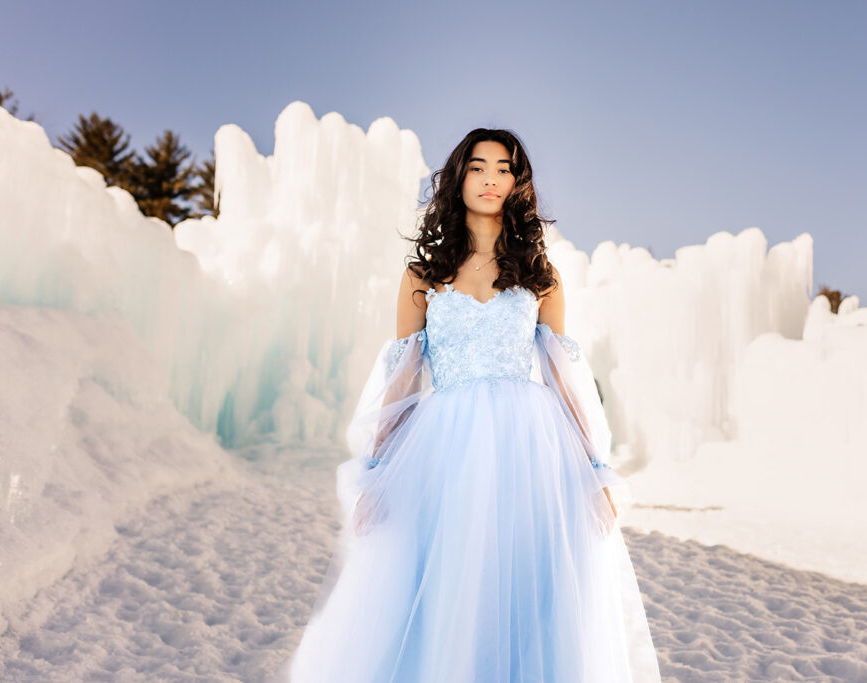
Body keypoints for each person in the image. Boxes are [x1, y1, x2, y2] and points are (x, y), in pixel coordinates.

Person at [278, 129, 662, 682]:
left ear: (517, 182)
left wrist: (594, 471)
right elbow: (406, 379)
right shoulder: (424, 274)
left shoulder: (540, 275)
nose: (490, 179)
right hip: (446, 449)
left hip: (530, 448)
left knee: (527, 584)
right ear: (458, 177)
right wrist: (377, 472)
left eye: (503, 168)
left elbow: (562, 378)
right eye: (478, 166)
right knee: (447, 587)